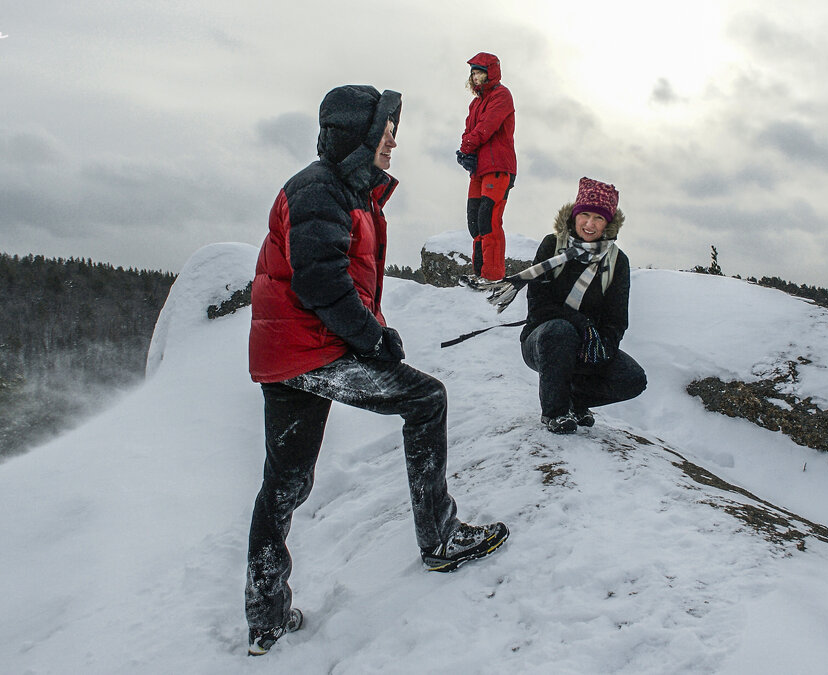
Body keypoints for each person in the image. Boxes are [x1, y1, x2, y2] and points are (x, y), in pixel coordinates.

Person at [245, 84, 509, 656]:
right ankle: (440, 539)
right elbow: (320, 281)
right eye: (386, 132)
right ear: (360, 135)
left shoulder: (342, 188)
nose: (394, 142)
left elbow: (332, 273)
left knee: (286, 483)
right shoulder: (321, 189)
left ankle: (265, 619)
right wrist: (374, 338)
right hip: (312, 349)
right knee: (425, 400)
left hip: (289, 353)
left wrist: (367, 329)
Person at [485, 177, 646, 433]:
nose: (590, 224)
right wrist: (582, 325)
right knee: (561, 330)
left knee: (633, 379)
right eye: (585, 215)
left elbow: (617, 318)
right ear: (575, 214)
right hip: (544, 341)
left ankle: (573, 401)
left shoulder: (617, 261)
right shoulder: (553, 246)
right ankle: (555, 412)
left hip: (588, 345)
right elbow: (539, 307)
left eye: (599, 218)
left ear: (609, 224)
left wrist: (602, 347)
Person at [456, 52, 516, 286]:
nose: (475, 76)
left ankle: (493, 276)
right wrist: (467, 154)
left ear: (491, 72)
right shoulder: (475, 103)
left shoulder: (502, 95)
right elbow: (469, 129)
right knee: (474, 220)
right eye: (473, 72)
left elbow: (486, 127)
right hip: (479, 169)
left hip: (499, 166)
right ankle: (480, 273)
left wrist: (466, 148)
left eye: (480, 71)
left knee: (489, 218)